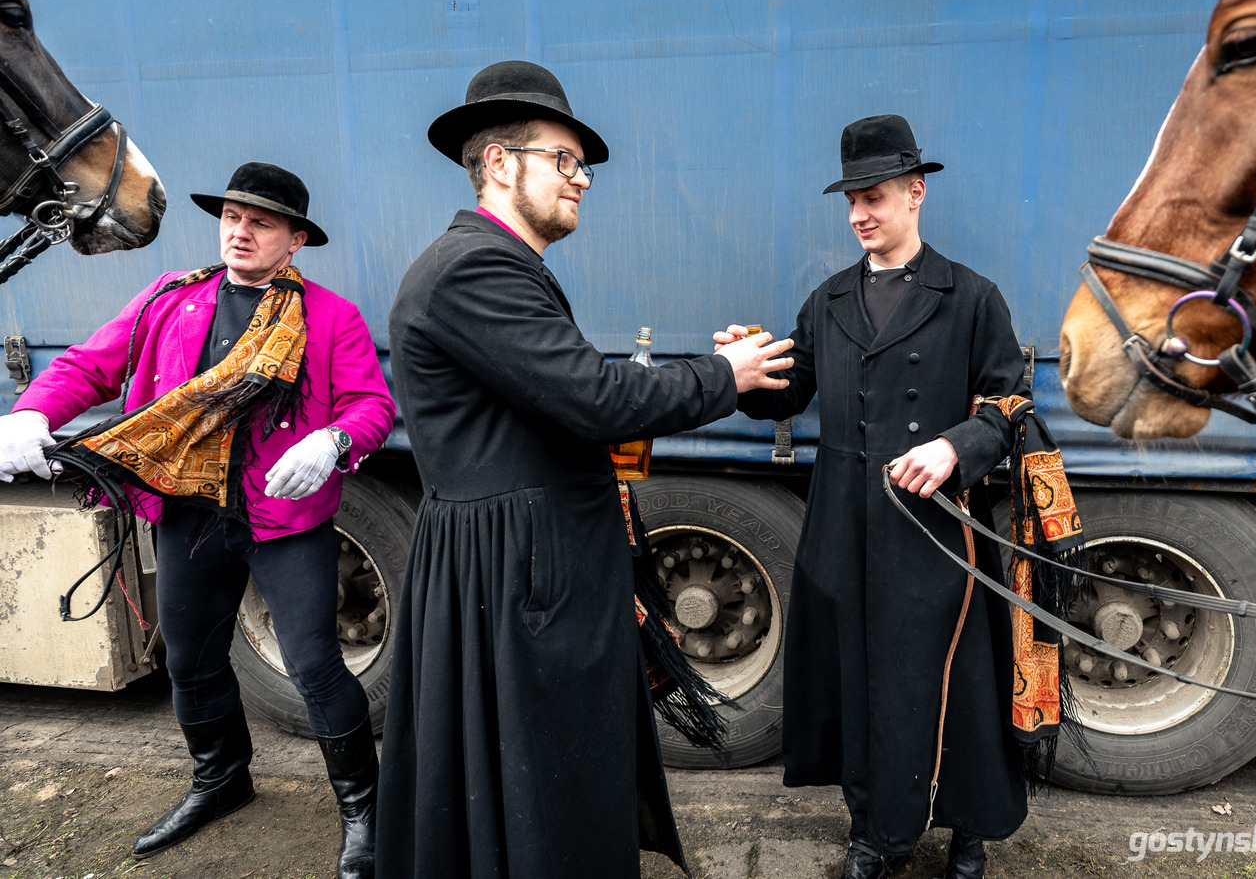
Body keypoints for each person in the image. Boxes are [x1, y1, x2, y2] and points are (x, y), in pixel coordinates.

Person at [378, 60, 795, 878]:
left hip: (516, 562)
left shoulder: (502, 265)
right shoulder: (476, 268)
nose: (581, 181)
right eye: (564, 161)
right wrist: (727, 377)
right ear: (499, 163)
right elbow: (596, 399)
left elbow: (568, 395)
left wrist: (693, 378)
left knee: (531, 772)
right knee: (542, 774)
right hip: (515, 572)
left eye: (583, 167)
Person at [0, 163, 396, 879]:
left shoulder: (331, 315)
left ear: (295, 240)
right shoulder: (172, 298)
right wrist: (32, 411)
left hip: (284, 522)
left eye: (261, 222)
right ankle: (220, 781)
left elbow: (372, 405)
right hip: (187, 514)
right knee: (189, 660)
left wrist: (333, 440)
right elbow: (92, 367)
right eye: (232, 218)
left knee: (314, 666)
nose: (240, 232)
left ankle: (363, 810)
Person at [718, 115, 1030, 879]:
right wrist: (743, 369)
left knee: (955, 681)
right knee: (864, 685)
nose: (860, 212)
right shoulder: (827, 300)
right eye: (851, 199)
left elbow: (1012, 409)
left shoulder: (971, 296)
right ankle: (874, 832)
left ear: (916, 193)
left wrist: (956, 445)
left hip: (939, 532)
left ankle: (968, 830)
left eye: (876, 196)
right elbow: (787, 394)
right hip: (847, 530)